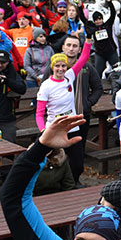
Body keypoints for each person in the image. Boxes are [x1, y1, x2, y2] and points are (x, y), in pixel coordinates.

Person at [36, 38, 92, 182]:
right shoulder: (46, 86)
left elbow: (84, 57)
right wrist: (43, 130)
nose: (61, 69)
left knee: (77, 163)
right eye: (57, 66)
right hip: (53, 129)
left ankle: (73, 184)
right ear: (52, 67)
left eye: (63, 66)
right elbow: (39, 113)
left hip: (71, 127)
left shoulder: (69, 76)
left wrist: (88, 39)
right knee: (51, 161)